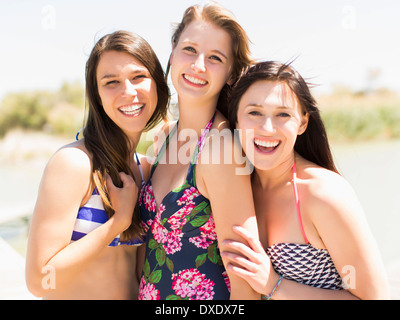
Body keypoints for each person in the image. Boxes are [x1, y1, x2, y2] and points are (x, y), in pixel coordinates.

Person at [221, 61, 390, 299]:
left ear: (302, 123)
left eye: (283, 114)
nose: (267, 128)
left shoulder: (322, 193)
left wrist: (273, 285)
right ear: (236, 121)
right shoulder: (237, 187)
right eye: (254, 112)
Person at [25, 30, 170, 299]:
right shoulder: (74, 164)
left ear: (157, 84)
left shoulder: (147, 169)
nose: (128, 92)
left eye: (139, 77)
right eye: (111, 82)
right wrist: (118, 222)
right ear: (97, 96)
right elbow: (39, 280)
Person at [138, 2, 260, 300]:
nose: (198, 65)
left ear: (231, 73)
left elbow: (246, 286)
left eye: (215, 57)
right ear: (173, 51)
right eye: (189, 50)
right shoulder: (166, 136)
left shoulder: (221, 150)